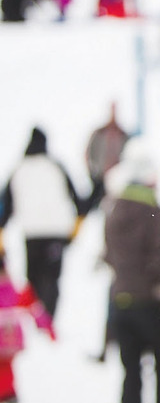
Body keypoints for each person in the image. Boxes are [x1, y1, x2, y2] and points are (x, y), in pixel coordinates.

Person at [103, 141, 160, 403]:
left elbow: (109, 255)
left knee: (131, 376)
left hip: (121, 302)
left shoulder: (113, 209)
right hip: (151, 304)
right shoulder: (150, 209)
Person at [0, 127, 87, 317]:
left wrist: (1, 235)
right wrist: (75, 230)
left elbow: (5, 206)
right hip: (56, 233)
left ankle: (37, 321)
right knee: (52, 279)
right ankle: (48, 321)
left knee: (34, 279)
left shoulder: (19, 168)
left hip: (31, 234)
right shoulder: (56, 166)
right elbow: (79, 203)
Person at [0, 242, 55, 403]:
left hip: (6, 336)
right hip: (11, 338)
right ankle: (8, 392)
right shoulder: (16, 288)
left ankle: (7, 392)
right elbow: (35, 309)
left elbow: (34, 308)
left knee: (4, 367)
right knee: (6, 367)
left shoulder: (16, 289)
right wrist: (48, 328)